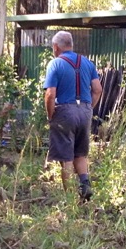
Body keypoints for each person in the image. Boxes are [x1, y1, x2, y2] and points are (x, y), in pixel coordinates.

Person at [43, 30, 101, 202]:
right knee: (80, 154)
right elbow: (97, 90)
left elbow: (50, 95)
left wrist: (50, 115)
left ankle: (70, 199)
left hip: (64, 112)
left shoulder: (55, 64)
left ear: (56, 47)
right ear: (71, 45)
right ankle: (85, 185)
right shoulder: (88, 63)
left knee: (66, 158)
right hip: (84, 111)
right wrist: (88, 107)